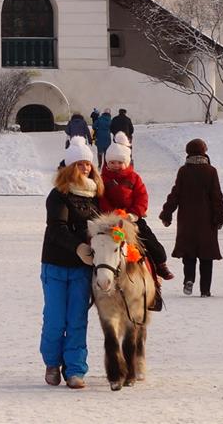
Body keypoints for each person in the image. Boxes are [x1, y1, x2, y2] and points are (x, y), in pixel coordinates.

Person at [41, 134, 102, 390]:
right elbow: (57, 228)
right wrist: (78, 246)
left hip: (81, 268)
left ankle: (75, 370)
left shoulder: (95, 198)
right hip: (56, 265)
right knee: (56, 319)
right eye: (79, 163)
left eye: (87, 164)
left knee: (77, 319)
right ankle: (53, 363)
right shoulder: (58, 195)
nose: (85, 167)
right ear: (69, 167)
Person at [98, 132, 171, 310]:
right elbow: (101, 198)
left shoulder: (134, 178)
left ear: (127, 162)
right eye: (112, 162)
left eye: (119, 162)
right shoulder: (102, 179)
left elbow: (142, 198)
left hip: (133, 220)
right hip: (110, 222)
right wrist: (112, 215)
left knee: (154, 248)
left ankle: (156, 277)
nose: (115, 165)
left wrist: (134, 214)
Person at [159, 138, 223, 296]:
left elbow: (175, 194)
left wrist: (167, 213)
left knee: (189, 253)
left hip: (187, 220)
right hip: (206, 221)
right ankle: (205, 290)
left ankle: (189, 279)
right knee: (206, 256)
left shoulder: (184, 171)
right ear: (204, 152)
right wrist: (219, 217)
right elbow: (217, 196)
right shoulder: (211, 171)